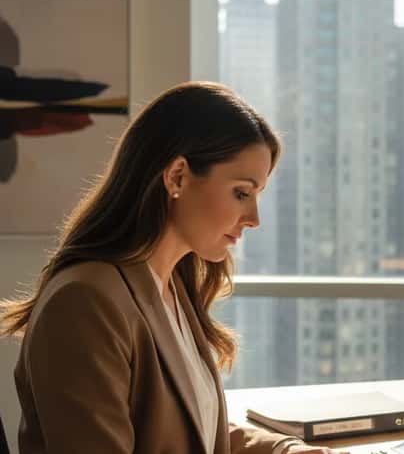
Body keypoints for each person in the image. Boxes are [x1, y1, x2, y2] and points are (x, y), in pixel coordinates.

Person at [0, 82, 347, 454]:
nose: (254, 218)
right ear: (178, 176)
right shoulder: (85, 301)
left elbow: (190, 427)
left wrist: (285, 451)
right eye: (242, 193)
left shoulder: (170, 284)